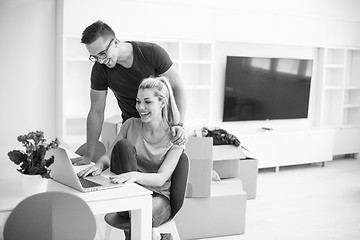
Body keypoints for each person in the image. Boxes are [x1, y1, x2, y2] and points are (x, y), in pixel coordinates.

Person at [78, 76, 185, 240]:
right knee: (123, 147)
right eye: (138, 101)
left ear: (162, 102)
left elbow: (161, 178)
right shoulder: (130, 125)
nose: (141, 107)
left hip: (158, 197)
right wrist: (99, 164)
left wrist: (134, 176)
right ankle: (153, 235)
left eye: (148, 102)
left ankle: (146, 234)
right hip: (127, 191)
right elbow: (111, 154)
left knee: (141, 213)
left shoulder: (175, 137)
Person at [72, 20, 186, 165]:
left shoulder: (151, 53)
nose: (100, 61)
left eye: (102, 53)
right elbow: (96, 111)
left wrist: (179, 125)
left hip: (162, 132)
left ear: (115, 42)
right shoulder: (100, 69)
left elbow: (178, 88)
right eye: (94, 57)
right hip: (132, 132)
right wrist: (89, 155)